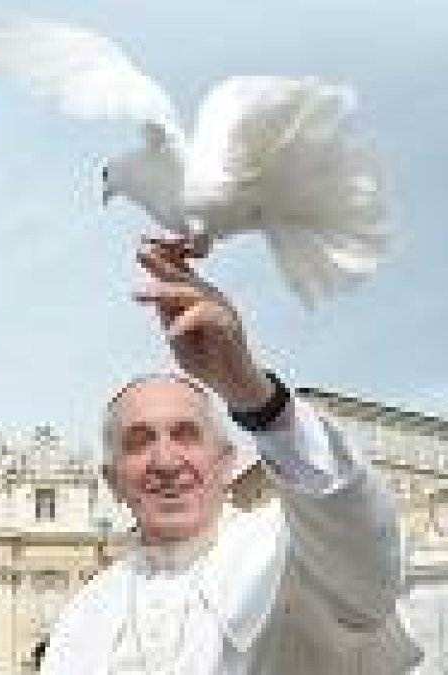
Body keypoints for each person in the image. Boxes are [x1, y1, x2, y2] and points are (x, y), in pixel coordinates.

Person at [39, 234, 421, 674]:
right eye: (140, 441)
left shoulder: (289, 551)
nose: (165, 462)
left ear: (225, 462)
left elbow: (364, 552)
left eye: (185, 435)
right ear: (113, 481)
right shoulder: (84, 616)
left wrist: (250, 391)